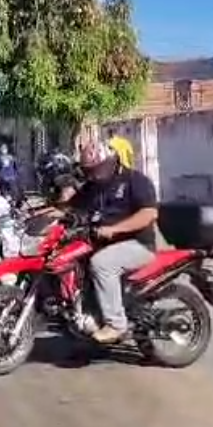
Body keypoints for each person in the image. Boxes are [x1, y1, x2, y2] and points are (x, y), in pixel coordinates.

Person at [70, 141, 158, 344]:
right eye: (89, 171)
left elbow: (149, 214)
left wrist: (114, 229)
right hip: (103, 242)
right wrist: (40, 213)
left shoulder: (135, 180)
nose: (93, 174)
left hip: (138, 244)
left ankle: (116, 324)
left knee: (102, 263)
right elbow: (70, 206)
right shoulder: (93, 186)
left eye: (96, 169)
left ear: (111, 162)